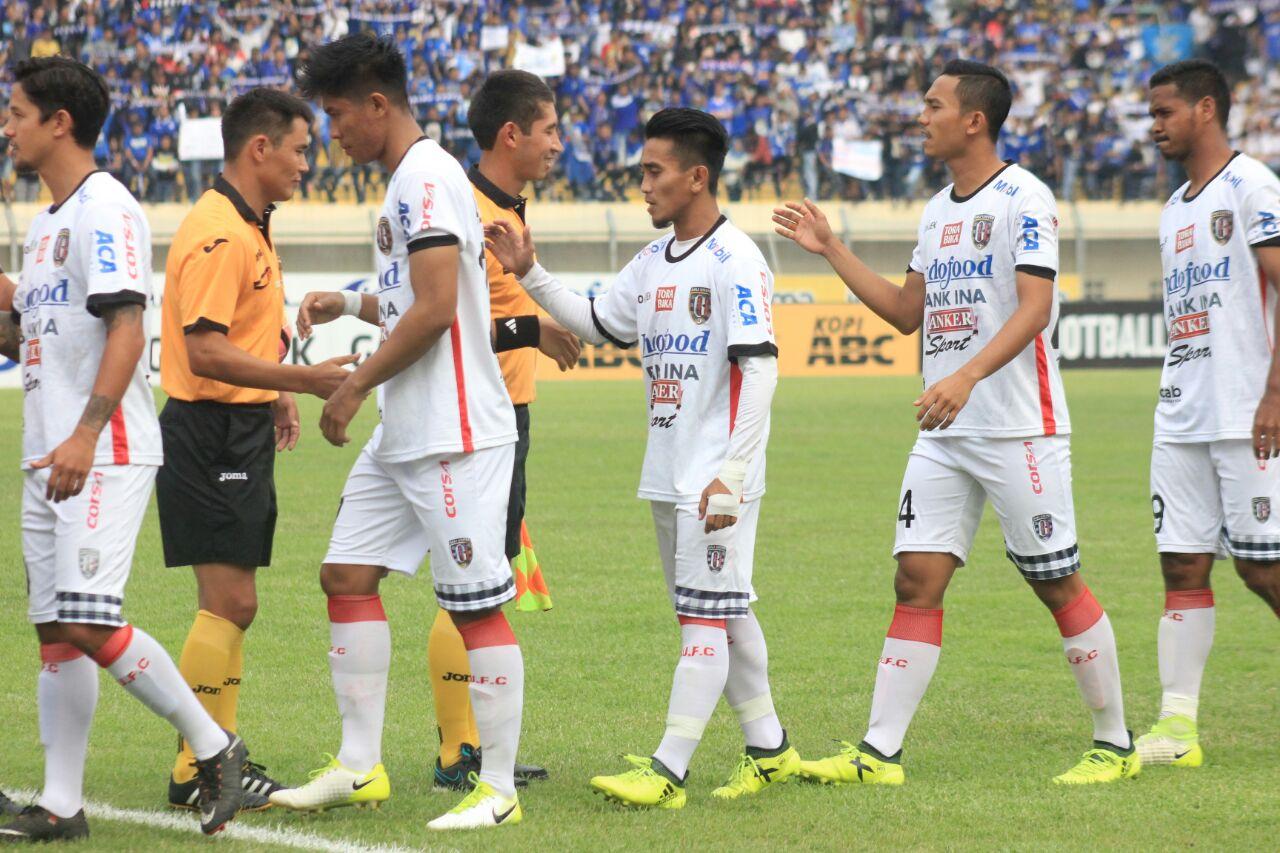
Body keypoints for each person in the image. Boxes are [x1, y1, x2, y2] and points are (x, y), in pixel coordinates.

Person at [773, 59, 1137, 785]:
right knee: (916, 578)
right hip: (944, 431)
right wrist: (832, 248)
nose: (922, 116)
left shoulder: (1023, 197)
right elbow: (909, 312)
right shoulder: (937, 209)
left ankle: (1115, 742)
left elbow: (1036, 308)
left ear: (974, 119)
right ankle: (878, 753)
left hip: (1017, 428)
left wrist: (967, 375)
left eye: (933, 105)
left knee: (1055, 579)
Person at [486, 107, 799, 808]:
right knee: (722, 608)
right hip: (670, 470)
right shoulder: (654, 261)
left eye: (654, 173)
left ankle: (669, 768)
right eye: (642, 172)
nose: (644, 185)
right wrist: (530, 272)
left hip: (716, 478)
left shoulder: (736, 261)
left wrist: (735, 472)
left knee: (702, 619)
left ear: (697, 177)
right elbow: (598, 324)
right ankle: (771, 748)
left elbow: (761, 369)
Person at [267, 33, 527, 832]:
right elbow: (418, 296)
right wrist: (347, 305)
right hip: (406, 429)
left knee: (475, 605)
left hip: (451, 432)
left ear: (378, 105)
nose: (332, 132)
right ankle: (357, 765)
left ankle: (501, 788)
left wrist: (351, 384)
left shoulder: (423, 178)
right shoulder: (411, 183)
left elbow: (439, 308)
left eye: (339, 114)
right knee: (345, 575)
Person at [0, 56, 245, 844]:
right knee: (54, 628)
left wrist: (83, 431)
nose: (6, 126)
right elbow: (34, 339)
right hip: (50, 453)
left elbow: (127, 325)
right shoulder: (45, 224)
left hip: (99, 449)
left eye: (16, 111)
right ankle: (62, 803)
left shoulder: (105, 207)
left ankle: (216, 747)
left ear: (58, 122)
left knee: (83, 614)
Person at [158, 87, 358, 813]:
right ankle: (200, 765)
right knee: (231, 601)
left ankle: (213, 756)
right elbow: (204, 349)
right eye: (302, 148)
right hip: (208, 430)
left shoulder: (251, 222)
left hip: (236, 429)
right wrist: (300, 378)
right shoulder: (221, 232)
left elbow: (240, 328)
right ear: (260, 149)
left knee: (233, 604)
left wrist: (272, 390)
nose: (310, 162)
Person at [425, 67, 581, 793]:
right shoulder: (463, 207)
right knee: (472, 584)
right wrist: (532, 327)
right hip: (473, 416)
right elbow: (442, 319)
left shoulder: (507, 209)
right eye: (550, 129)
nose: (559, 143)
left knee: (480, 582)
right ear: (512, 133)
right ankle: (460, 748)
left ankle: (474, 745)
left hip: (507, 411)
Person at [1135, 59, 1280, 767]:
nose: (1154, 126)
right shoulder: (1174, 208)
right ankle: (1176, 729)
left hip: (1246, 412)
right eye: (1151, 114)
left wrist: (1276, 392)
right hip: (1182, 413)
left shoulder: (1251, 186)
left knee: (1263, 569)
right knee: (1183, 564)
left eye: (1165, 112)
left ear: (1205, 109)